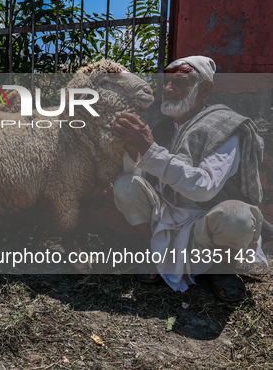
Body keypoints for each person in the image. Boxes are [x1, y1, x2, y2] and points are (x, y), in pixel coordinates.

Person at [112, 55, 266, 302]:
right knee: (125, 187)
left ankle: (221, 267)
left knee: (237, 217)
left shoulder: (225, 127)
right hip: (165, 215)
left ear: (204, 89)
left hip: (205, 220)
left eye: (180, 82)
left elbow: (204, 188)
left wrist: (149, 150)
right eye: (167, 82)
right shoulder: (162, 127)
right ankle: (160, 254)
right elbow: (142, 180)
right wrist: (134, 154)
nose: (169, 89)